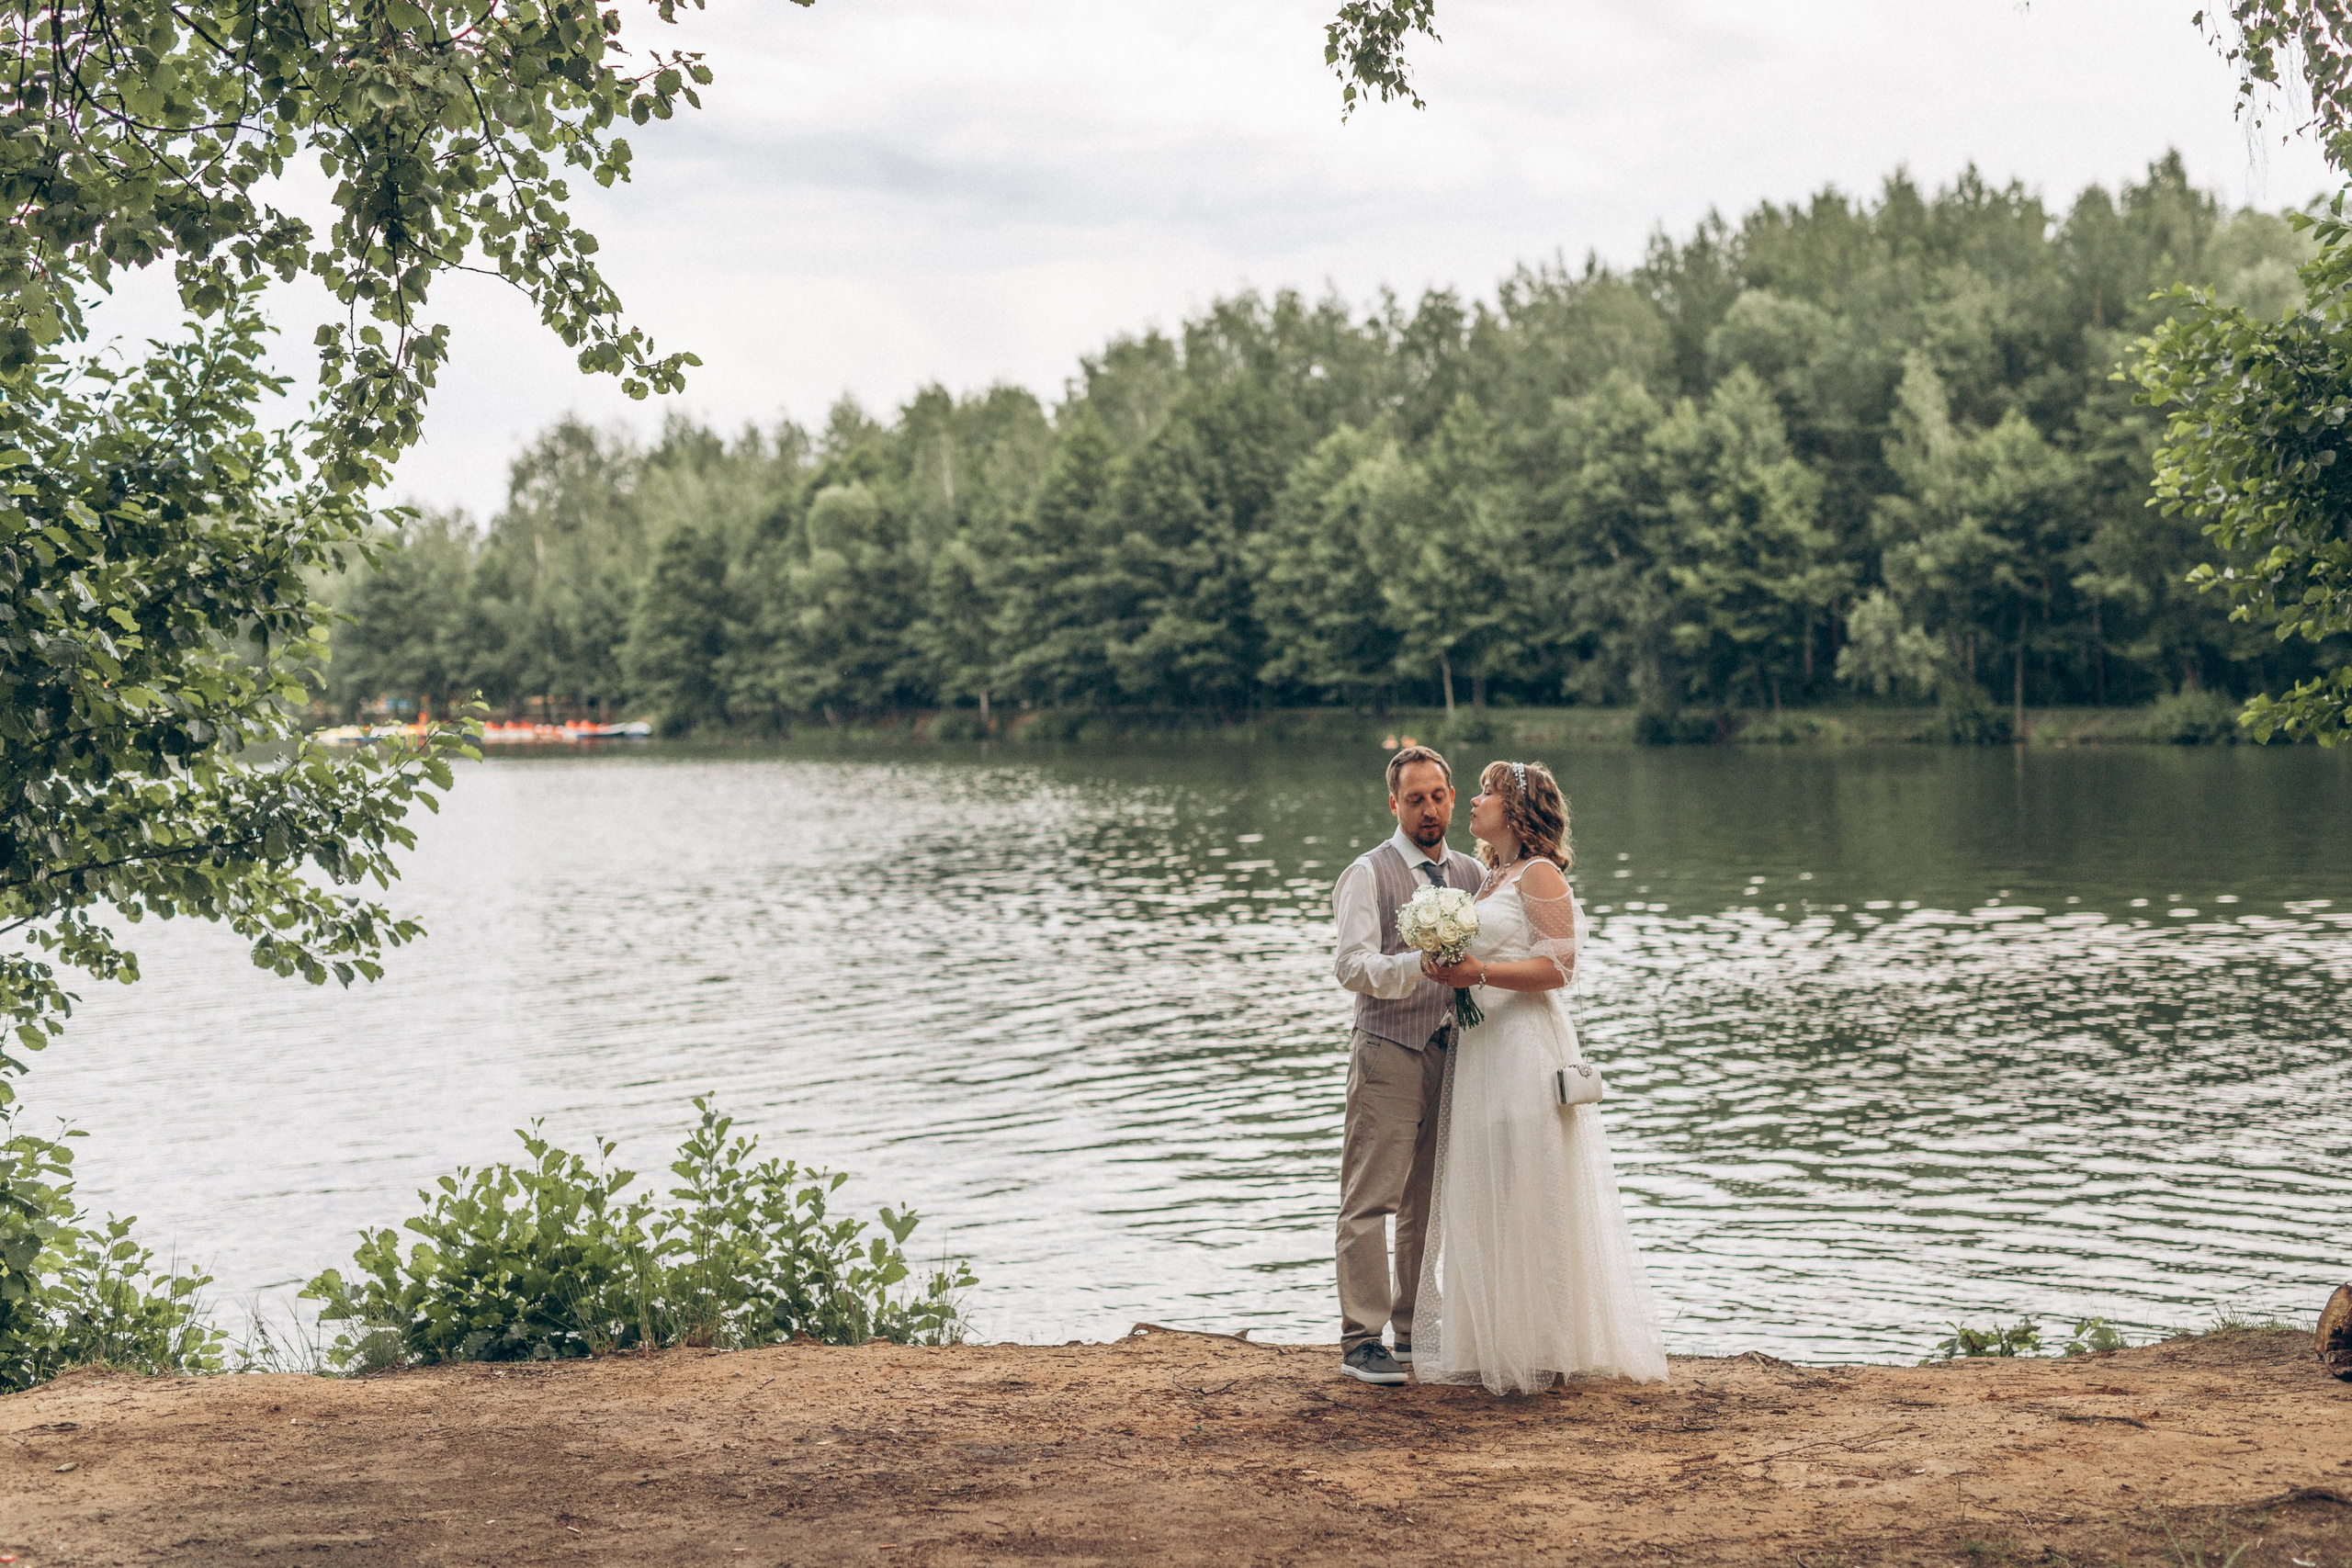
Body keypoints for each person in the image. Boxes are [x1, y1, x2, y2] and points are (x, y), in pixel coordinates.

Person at [1412, 760, 1668, 1393]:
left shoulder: (1540, 873)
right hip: (1483, 1049)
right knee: (1487, 1182)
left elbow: (1560, 967)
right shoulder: (1491, 879)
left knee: (1531, 1185)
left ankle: (1544, 1346)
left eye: (1485, 793)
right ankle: (1495, 1343)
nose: (1471, 802)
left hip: (1526, 1048)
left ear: (1517, 810)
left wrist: (1479, 974)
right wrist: (1445, 963)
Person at [1328, 744, 1487, 1385]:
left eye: (1438, 795)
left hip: (1454, 1053)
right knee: (1370, 1197)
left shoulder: (1474, 875)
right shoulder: (1368, 873)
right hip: (1389, 1048)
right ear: (1393, 804)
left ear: (1451, 797)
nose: (1428, 808)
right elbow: (1351, 966)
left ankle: (1414, 1329)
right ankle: (1360, 1339)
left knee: (1429, 1199)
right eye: (1414, 798)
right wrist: (1414, 965)